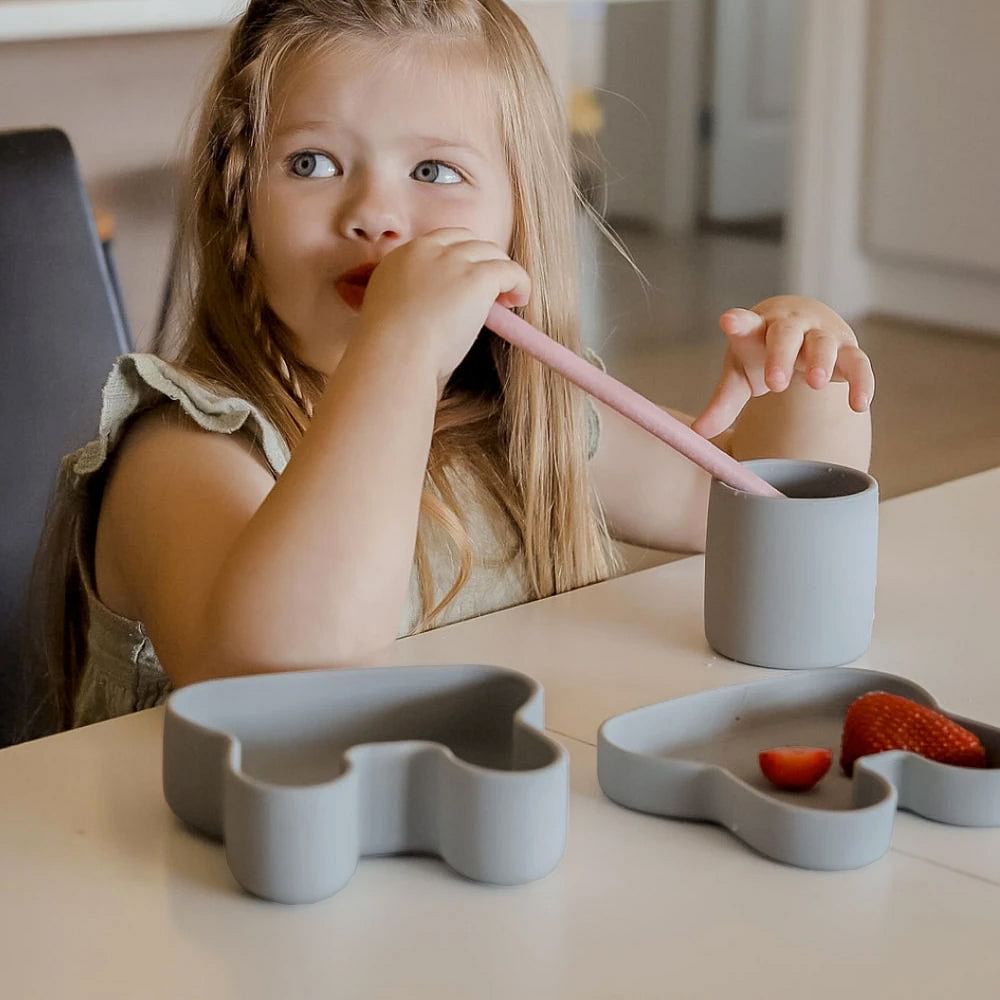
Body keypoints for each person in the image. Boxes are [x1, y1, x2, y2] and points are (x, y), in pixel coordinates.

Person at [36, 0, 874, 731]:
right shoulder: (181, 450)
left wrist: (808, 372)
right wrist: (397, 352)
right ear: (239, 200)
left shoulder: (528, 410)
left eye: (434, 170)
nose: (374, 214)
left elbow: (731, 514)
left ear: (519, 218)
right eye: (312, 163)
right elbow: (282, 678)